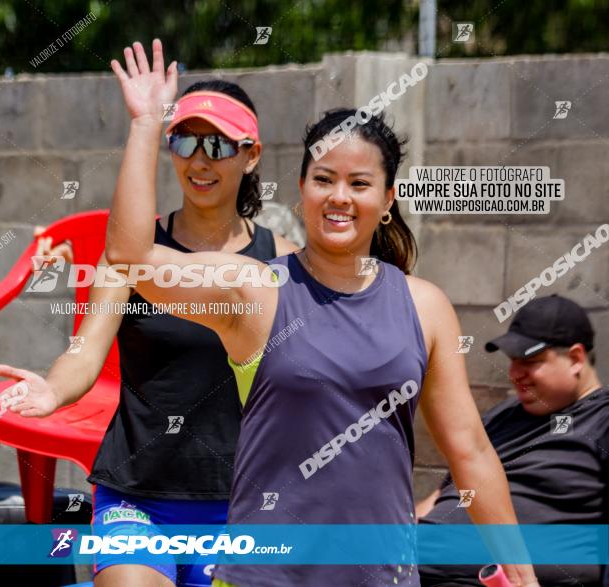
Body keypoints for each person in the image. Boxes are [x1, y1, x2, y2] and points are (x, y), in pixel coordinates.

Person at [99, 39, 540, 586]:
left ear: (387, 200)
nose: (339, 197)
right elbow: (131, 257)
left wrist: (519, 570)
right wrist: (146, 125)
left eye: (360, 184)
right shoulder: (257, 291)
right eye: (324, 179)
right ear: (302, 189)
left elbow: (470, 450)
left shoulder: (423, 306)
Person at [0, 78, 298, 587]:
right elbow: (85, 353)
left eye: (218, 145)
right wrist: (52, 389)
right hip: (137, 496)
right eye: (184, 141)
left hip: (243, 503)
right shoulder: (131, 254)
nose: (199, 161)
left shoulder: (284, 262)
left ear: (251, 155)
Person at [417, 294, 607, 586]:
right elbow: (443, 495)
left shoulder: (601, 420)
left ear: (575, 358)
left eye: (530, 361)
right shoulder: (502, 416)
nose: (514, 374)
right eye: (513, 361)